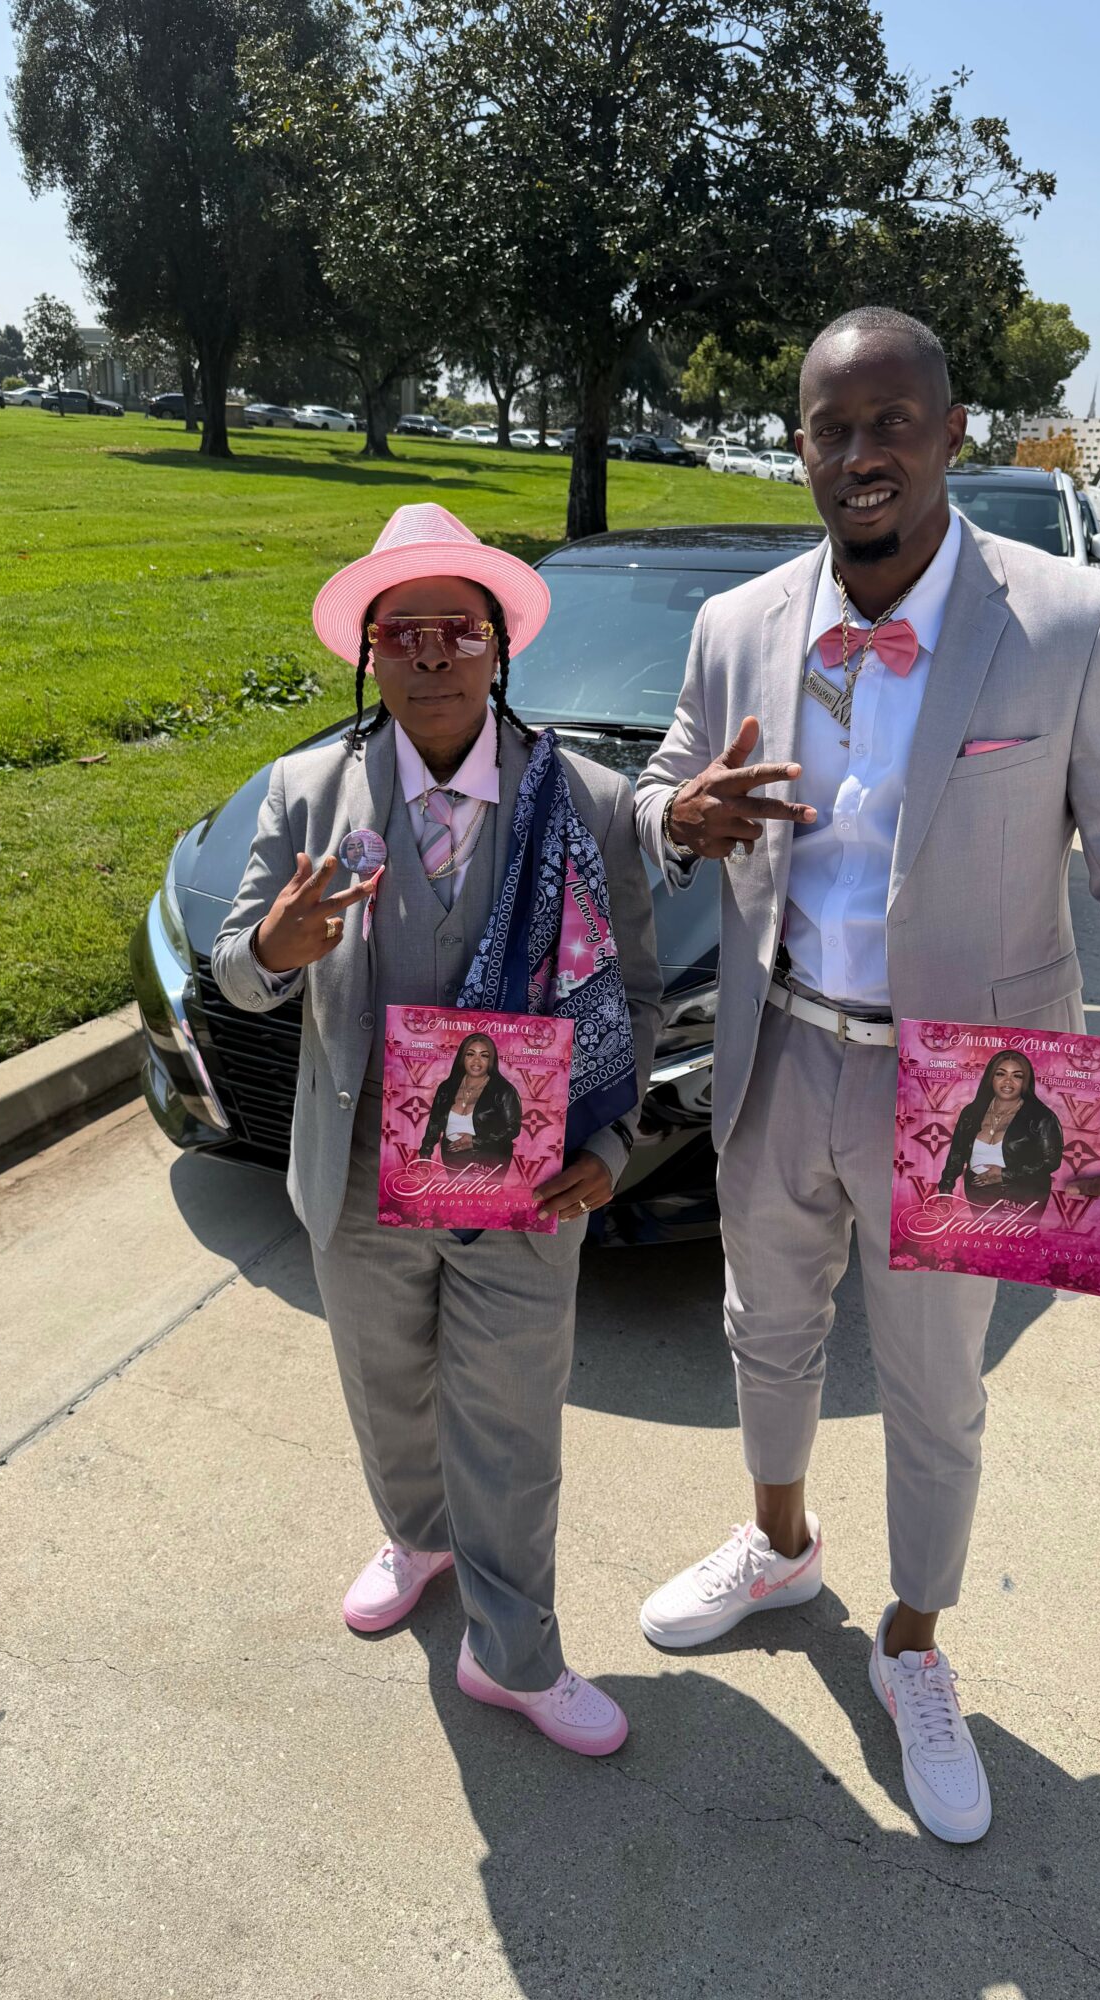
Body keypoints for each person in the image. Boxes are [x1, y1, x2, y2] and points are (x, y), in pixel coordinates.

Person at [633, 307, 1100, 1843]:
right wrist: (674, 816)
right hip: (775, 1046)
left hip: (984, 1085)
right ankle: (779, 1546)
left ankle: (913, 1646)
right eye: (832, 426)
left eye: (895, 420)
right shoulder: (738, 623)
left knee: (938, 1389)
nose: (863, 451)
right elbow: (661, 784)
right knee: (764, 1325)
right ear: (801, 447)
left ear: (954, 433)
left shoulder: (1074, 624)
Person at [212, 503, 661, 1757]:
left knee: (512, 1414)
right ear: (369, 651)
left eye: (453, 629)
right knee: (387, 1385)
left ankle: (514, 1653)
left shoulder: (585, 798)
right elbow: (232, 972)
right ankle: (416, 1537)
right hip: (356, 1166)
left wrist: (612, 1146)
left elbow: (635, 987)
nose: (428, 654)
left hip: (522, 1174)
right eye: (399, 630)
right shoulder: (307, 794)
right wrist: (272, 947)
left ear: (497, 646)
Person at [938, 1050, 1063, 1214]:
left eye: (1017, 1076)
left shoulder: (1042, 1117)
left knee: (1014, 1239)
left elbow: (1051, 1161)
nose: (1008, 1081)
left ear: (1025, 1081)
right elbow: (957, 1152)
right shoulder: (971, 1113)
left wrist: (1005, 1174)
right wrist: (946, 1188)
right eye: (1000, 1074)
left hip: (1022, 1194)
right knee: (983, 1238)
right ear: (991, 1078)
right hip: (978, 1193)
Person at [419, 1032, 522, 1175]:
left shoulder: (504, 1090)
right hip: (452, 1156)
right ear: (462, 1057)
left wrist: (475, 1141)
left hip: (489, 1158)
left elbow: (513, 1128)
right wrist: (425, 1153)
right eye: (470, 1054)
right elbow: (434, 1123)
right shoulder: (446, 1088)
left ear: (491, 1060)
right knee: (457, 1196)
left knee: (483, 1197)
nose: (476, 1061)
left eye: (484, 1055)